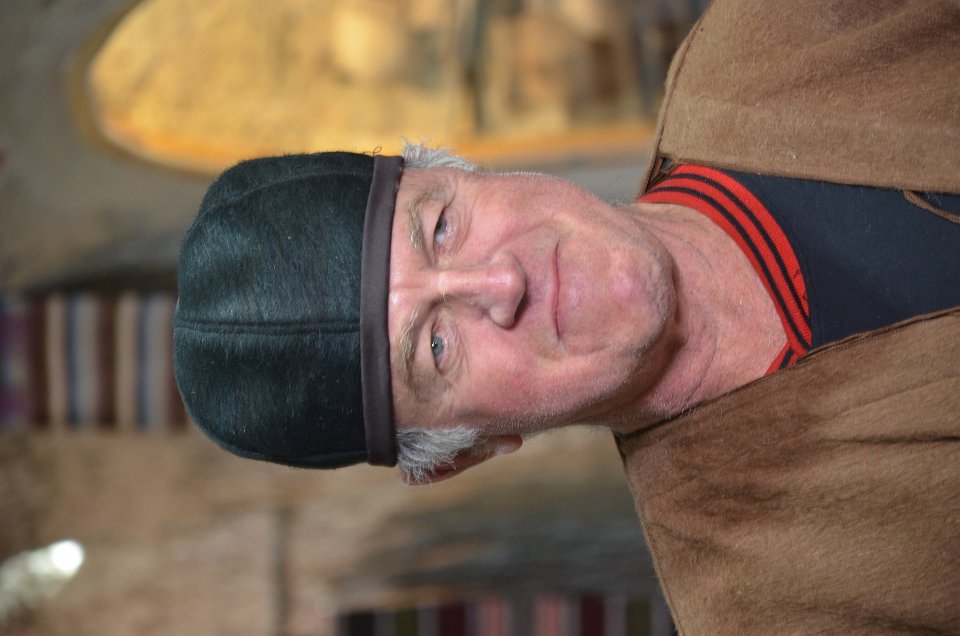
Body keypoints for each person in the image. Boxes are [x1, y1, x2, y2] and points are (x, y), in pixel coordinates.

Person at [175, 0, 960, 631]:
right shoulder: (774, 605)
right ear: (463, 456)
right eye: (437, 347)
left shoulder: (783, 36)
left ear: (468, 169)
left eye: (442, 227)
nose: (499, 281)